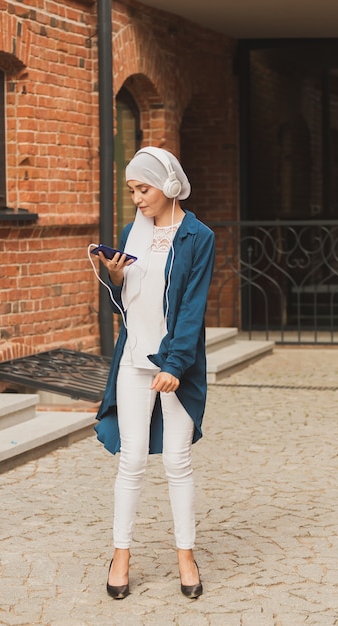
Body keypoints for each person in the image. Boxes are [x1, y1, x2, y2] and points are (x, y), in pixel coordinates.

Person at [94, 146, 215, 600]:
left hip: (175, 365)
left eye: (143, 189)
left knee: (178, 463)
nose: (137, 199)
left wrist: (176, 365)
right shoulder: (132, 232)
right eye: (131, 191)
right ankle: (121, 553)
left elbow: (191, 309)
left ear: (167, 185)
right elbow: (130, 301)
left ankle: (186, 554)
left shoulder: (198, 236)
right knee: (133, 459)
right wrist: (115, 276)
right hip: (133, 361)